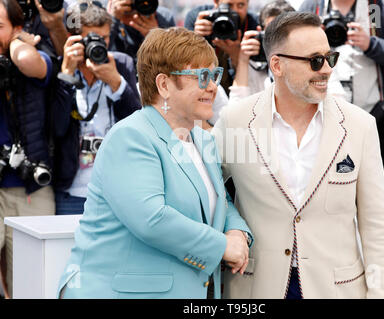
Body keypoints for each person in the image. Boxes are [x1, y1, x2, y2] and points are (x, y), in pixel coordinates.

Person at [57, 27, 252, 299]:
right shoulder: (131, 136)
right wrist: (222, 246)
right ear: (163, 85)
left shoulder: (203, 140)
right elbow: (151, 218)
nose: (212, 86)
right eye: (202, 76)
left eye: (215, 75)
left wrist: (238, 233)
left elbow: (221, 201)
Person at [213, 12, 384, 299]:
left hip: (336, 289)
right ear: (277, 65)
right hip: (255, 288)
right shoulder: (236, 120)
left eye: (330, 58)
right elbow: (207, 190)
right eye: (315, 60)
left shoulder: (359, 125)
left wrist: (382, 294)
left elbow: (377, 226)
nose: (326, 69)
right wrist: (232, 227)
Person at [299, 0, 384, 184]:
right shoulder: (314, 8)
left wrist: (371, 44)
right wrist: (313, 41)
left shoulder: (376, 9)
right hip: (321, 120)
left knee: (374, 190)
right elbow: (291, 53)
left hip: (374, 120)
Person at [52, 2, 140, 215]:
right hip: (72, 192)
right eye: (91, 38)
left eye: (104, 38)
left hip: (116, 191)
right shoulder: (60, 68)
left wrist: (115, 82)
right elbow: (56, 128)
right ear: (74, 40)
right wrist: (66, 76)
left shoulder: (121, 64)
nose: (99, 44)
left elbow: (137, 123)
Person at [0, 0, 56, 298]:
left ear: (18, 28)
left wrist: (17, 44)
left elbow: (28, 63)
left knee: (30, 282)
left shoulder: (34, 51)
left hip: (30, 187)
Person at [184, 0, 259, 95]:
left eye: (240, 5)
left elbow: (256, 80)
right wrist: (196, 40)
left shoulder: (253, 24)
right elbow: (187, 69)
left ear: (248, 5)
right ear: (216, 2)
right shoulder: (199, 17)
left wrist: (237, 54)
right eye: (229, 5)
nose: (234, 11)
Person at [107, 0, 175, 64]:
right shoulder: (107, 16)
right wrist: (113, 21)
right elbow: (101, 53)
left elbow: (173, 61)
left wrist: (157, 38)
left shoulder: (163, 17)